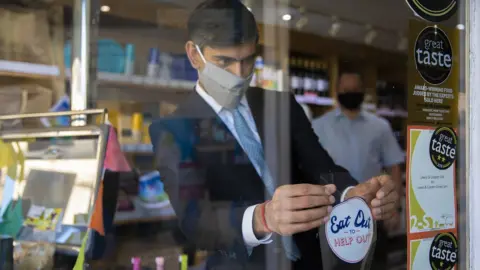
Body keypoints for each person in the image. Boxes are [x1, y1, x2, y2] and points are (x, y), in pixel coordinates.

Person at [149, 1, 400, 269]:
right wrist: (262, 217)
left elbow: (321, 168)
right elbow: (195, 219)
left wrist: (353, 192)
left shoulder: (281, 106)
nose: (239, 73)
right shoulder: (173, 129)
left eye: (247, 60)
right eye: (224, 61)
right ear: (194, 54)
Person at [312, 70, 405, 269]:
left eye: (355, 89)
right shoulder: (318, 127)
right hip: (332, 216)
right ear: (337, 91)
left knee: (375, 265)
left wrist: (395, 207)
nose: (351, 93)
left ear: (363, 92)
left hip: (373, 214)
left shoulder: (380, 127)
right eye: (346, 89)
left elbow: (394, 166)